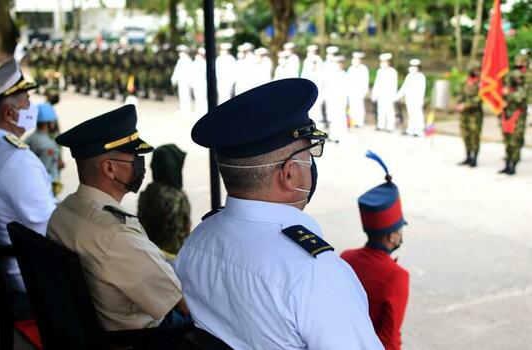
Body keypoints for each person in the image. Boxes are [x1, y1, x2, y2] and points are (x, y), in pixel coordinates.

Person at [174, 79, 383, 349]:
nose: (312, 163)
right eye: (309, 154)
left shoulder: (199, 240)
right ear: (289, 173)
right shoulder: (313, 273)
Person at [49, 105, 189, 330]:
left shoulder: (63, 212)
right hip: (143, 339)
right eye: (134, 156)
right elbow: (183, 303)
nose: (140, 163)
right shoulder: (117, 235)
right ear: (110, 169)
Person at [0, 60, 56, 293]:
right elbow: (50, 228)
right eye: (27, 102)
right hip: (24, 274)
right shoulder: (16, 160)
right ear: (9, 113)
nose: (32, 108)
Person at [341, 151, 409, 350]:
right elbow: (389, 339)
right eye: (400, 228)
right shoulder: (396, 276)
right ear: (391, 236)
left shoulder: (346, 257)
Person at [138, 144, 191, 258]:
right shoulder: (175, 198)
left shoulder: (148, 191)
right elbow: (177, 236)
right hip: (170, 260)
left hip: (148, 255)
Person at [499, 70, 528, 175]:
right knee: (507, 143)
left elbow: (519, 98)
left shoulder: (521, 90)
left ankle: (513, 166)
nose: (518, 80)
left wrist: (508, 95)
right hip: (507, 119)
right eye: (516, 78)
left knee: (515, 143)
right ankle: (507, 164)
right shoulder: (509, 89)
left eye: (520, 78)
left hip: (517, 121)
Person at [455, 62, 483, 167]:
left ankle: (474, 158)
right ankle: (467, 156)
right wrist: (458, 103)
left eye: (478, 70)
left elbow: (479, 99)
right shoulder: (465, 82)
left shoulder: (481, 83)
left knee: (474, 136)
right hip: (464, 115)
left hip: (475, 115)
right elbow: (460, 94)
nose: (477, 72)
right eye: (475, 70)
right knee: (465, 135)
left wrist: (465, 105)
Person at [396, 59, 426, 137]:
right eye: (411, 66)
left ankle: (419, 130)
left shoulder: (421, 77)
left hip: (417, 99)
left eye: (415, 67)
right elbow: (404, 88)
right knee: (411, 114)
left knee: (418, 114)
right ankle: (410, 129)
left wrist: (421, 100)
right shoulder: (409, 76)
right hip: (409, 99)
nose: (412, 68)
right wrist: (396, 97)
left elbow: (422, 90)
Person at [324, 55, 349, 142]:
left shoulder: (345, 75)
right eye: (336, 63)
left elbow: (346, 90)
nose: (338, 65)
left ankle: (340, 136)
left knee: (340, 118)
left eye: (340, 63)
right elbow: (327, 87)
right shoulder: (331, 75)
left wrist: (345, 101)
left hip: (340, 100)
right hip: (331, 100)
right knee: (331, 118)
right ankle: (332, 135)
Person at [372, 53, 398, 131]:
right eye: (382, 62)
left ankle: (390, 126)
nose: (383, 63)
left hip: (389, 94)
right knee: (380, 110)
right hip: (381, 94)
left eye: (385, 62)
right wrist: (374, 93)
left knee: (389, 110)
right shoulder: (380, 71)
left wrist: (393, 95)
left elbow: (394, 85)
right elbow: (377, 83)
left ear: (389, 62)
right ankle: (381, 125)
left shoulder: (393, 72)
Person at [347, 52, 370, 128]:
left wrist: (364, 91)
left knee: (359, 107)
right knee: (352, 107)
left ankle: (360, 122)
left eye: (357, 59)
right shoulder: (351, 68)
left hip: (360, 91)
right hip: (351, 91)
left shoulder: (364, 68)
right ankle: (353, 122)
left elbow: (365, 81)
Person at [171, 45, 192, 114]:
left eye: (181, 52)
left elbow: (190, 72)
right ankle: (183, 108)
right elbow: (177, 71)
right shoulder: (180, 60)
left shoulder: (188, 60)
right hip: (181, 81)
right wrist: (174, 78)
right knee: (182, 95)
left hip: (186, 81)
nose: (180, 54)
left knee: (186, 95)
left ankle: (187, 109)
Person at [191, 47, 208, 116]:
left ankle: (204, 112)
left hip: (202, 83)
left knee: (202, 98)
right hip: (196, 83)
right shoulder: (194, 63)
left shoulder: (204, 63)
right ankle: (198, 111)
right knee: (197, 97)